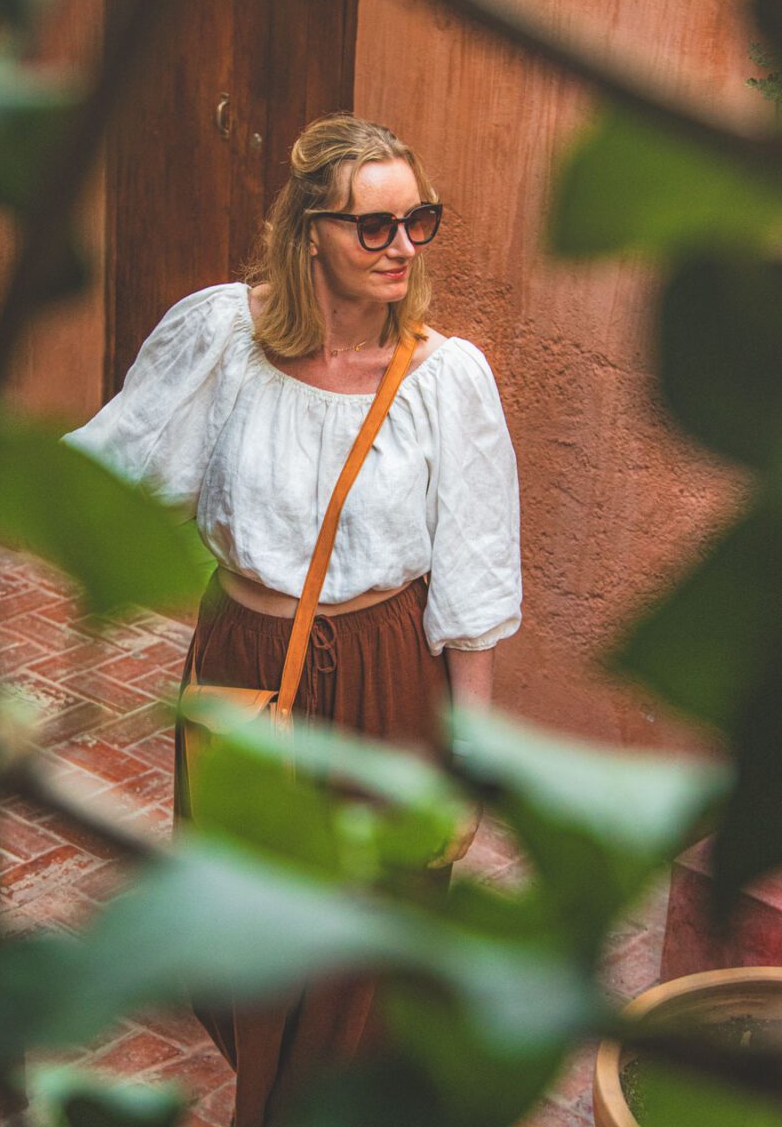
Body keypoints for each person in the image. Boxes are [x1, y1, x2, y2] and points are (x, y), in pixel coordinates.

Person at [64, 112, 522, 1127]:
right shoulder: (223, 336)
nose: (403, 246)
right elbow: (110, 463)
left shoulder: (447, 380)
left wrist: (468, 753)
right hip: (241, 666)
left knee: (361, 947)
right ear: (308, 229)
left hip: (383, 672)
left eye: (419, 221)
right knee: (244, 934)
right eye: (375, 225)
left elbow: (475, 581)